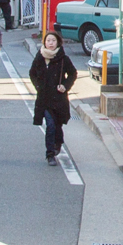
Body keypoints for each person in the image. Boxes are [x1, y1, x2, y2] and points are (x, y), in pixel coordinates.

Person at [29, 28, 76, 163]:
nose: (50, 43)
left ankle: (58, 143)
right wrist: (38, 86)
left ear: (58, 42)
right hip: (45, 99)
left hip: (59, 99)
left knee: (57, 125)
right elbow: (32, 73)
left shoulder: (63, 59)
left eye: (53, 40)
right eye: (48, 40)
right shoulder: (40, 57)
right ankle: (50, 154)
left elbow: (73, 73)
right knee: (50, 125)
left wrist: (65, 86)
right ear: (44, 42)